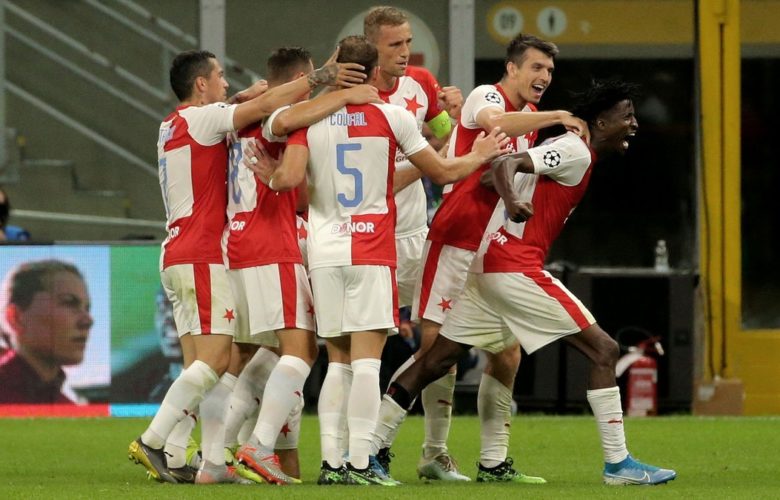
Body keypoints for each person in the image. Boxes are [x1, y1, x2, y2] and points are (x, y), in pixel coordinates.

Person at [372, 79, 678, 486]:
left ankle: (370, 451)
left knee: (436, 360)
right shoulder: (574, 149)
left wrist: (508, 189)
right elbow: (504, 165)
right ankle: (618, 464)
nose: (634, 124)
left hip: (488, 267)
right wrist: (514, 199)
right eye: (627, 116)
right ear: (601, 122)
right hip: (513, 267)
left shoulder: (570, 150)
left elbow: (498, 173)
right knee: (604, 349)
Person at [245, 34, 509, 486]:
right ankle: (362, 462)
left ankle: (332, 465)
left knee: (338, 361)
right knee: (367, 362)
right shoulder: (393, 116)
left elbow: (287, 171)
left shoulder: (309, 120)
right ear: (374, 73)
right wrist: (479, 154)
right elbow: (442, 171)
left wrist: (273, 177)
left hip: (325, 252)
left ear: (338, 67)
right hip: (370, 250)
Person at [128, 48, 366, 485]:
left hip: (185, 251)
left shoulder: (173, 124)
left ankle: (196, 459)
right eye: (219, 76)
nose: (226, 83)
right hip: (204, 253)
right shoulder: (208, 119)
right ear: (201, 84)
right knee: (224, 360)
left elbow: (250, 106)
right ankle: (154, 439)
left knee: (210, 364)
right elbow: (270, 109)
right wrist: (327, 79)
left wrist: (247, 97)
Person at [379, 33, 586, 483]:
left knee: (507, 354)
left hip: (493, 252)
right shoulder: (486, 97)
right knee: (436, 354)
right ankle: (416, 452)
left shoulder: (528, 122)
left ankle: (493, 462)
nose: (544, 77)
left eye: (550, 71)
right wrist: (559, 116)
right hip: (455, 241)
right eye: (536, 67)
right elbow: (497, 122)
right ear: (512, 68)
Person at [221, 46, 380, 485]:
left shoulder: (243, 115)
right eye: (313, 77)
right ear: (299, 79)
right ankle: (257, 445)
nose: (319, 83)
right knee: (303, 349)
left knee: (253, 353)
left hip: (237, 243)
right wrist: (344, 94)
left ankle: (211, 454)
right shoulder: (288, 119)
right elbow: (295, 183)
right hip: (272, 245)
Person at [361, 6, 469, 481]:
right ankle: (357, 453)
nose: (406, 53)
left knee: (443, 341)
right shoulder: (352, 98)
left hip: (416, 238)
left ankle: (433, 452)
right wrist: (434, 158)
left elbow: (444, 134)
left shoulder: (421, 83)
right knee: (347, 355)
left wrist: (452, 119)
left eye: (408, 42)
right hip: (366, 242)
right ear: (371, 49)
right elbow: (384, 182)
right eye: (395, 45)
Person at [0, 260, 92, 404]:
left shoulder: (69, 408)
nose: (88, 321)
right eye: (68, 302)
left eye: (87, 308)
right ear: (16, 317)